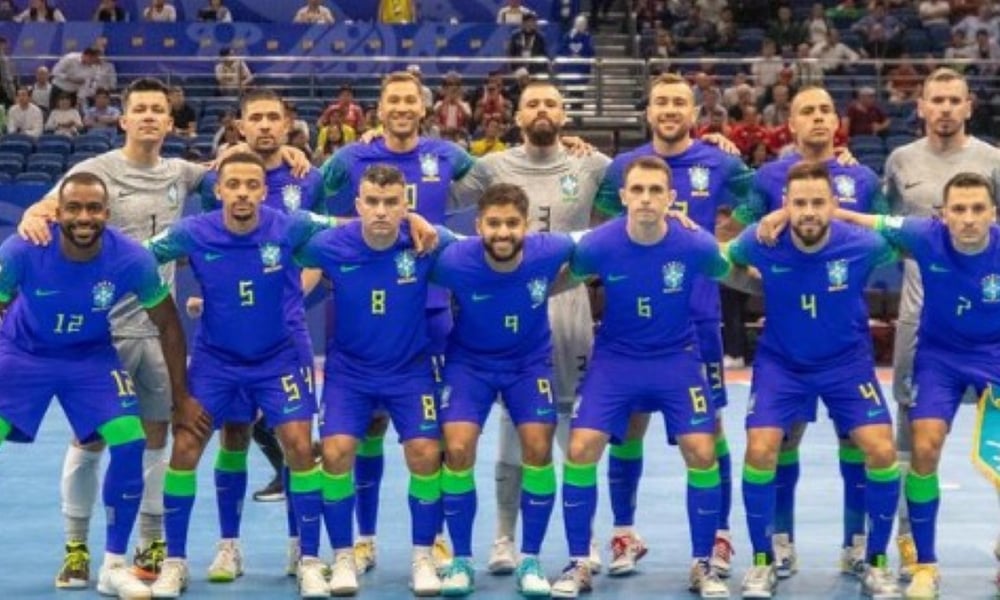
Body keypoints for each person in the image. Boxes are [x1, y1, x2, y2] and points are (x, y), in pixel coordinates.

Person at [16, 77, 312, 589]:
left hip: (156, 330)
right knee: (89, 441)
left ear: (169, 121)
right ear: (123, 118)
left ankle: (153, 543)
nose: (150, 116)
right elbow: (48, 209)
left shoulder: (183, 172)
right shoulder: (92, 171)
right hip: (98, 335)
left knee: (157, 440)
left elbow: (239, 175)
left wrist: (283, 149)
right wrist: (30, 213)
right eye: (140, 109)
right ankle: (77, 548)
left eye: (158, 109)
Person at [0, 171, 199, 598]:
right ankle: (75, 547)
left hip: (90, 357)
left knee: (129, 440)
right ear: (58, 212)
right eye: (74, 208)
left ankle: (113, 564)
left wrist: (180, 397)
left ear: (107, 213)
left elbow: (168, 324)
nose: (84, 216)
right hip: (22, 355)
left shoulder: (130, 260)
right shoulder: (22, 248)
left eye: (94, 208)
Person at [593, 72, 755, 579]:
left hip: (698, 318)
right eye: (660, 102)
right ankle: (623, 532)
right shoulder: (623, 167)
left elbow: (759, 198)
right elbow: (603, 218)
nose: (669, 110)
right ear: (648, 111)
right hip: (630, 324)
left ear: (694, 112)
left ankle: (720, 537)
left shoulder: (720, 161)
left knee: (709, 433)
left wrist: (724, 233)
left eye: (678, 103)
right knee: (628, 427)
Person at [145, 152, 328, 598]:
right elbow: (135, 257)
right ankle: (184, 559)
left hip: (278, 357)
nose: (243, 192)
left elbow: (357, 228)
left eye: (252, 185)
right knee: (187, 445)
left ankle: (306, 557)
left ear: (265, 191)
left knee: (301, 447)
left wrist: (418, 226)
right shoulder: (193, 232)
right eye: (234, 185)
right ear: (219, 190)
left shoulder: (292, 224)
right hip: (216, 361)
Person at [551, 156, 732, 599]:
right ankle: (578, 563)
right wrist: (510, 285)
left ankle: (703, 564)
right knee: (580, 447)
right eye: (638, 190)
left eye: (656, 191)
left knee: (702, 450)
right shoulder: (598, 243)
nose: (647, 199)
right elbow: (559, 280)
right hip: (616, 359)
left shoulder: (696, 244)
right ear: (624, 197)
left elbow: (738, 272)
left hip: (677, 358)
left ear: (671, 199)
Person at [451, 79, 611, 576]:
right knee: (512, 421)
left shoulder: (592, 164)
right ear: (516, 116)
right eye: (532, 104)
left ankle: (583, 538)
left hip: (567, 303)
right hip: (506, 300)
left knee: (571, 422)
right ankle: (504, 537)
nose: (542, 110)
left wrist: (716, 140)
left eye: (551, 103)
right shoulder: (492, 167)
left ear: (565, 115)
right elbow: (431, 184)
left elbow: (654, 175)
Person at [320, 70, 476, 573]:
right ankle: (362, 540)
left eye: (411, 99)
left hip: (429, 312)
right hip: (364, 306)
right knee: (362, 429)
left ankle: (434, 543)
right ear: (378, 107)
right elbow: (312, 207)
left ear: (423, 106)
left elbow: (496, 180)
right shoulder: (349, 158)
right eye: (394, 100)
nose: (403, 107)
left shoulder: (449, 155)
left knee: (431, 438)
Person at [728, 161, 901, 599]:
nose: (808, 211)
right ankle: (764, 560)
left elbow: (915, 239)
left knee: (881, 450)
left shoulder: (864, 244)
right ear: (784, 205)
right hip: (781, 364)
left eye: (818, 203)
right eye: (798, 203)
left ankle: (874, 560)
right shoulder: (761, 241)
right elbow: (717, 259)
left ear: (834, 205)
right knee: (762, 448)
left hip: (847, 364)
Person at [837, 173, 1000, 599]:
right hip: (940, 357)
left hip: (995, 355)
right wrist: (786, 212)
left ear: (993, 213)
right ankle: (925, 564)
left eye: (978, 209)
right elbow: (862, 219)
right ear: (942, 215)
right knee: (925, 447)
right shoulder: (925, 235)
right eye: (959, 210)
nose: (968, 219)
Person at [296, 164, 451, 596]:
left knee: (424, 451)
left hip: (410, 370)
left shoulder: (427, 243)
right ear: (358, 204)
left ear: (406, 205)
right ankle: (344, 556)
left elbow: (492, 246)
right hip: (350, 373)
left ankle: (423, 556)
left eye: (392, 203)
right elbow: (284, 233)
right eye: (373, 202)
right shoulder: (330, 244)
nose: (382, 211)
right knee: (336, 450)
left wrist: (422, 224)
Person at [197, 89, 326, 575]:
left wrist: (289, 293)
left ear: (289, 123)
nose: (267, 125)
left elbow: (318, 249)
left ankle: (302, 547)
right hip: (229, 339)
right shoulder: (217, 179)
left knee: (297, 439)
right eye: (257, 118)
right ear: (241, 125)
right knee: (233, 433)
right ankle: (229, 545)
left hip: (286, 334)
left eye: (275, 117)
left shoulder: (306, 177)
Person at [881, 66, 1000, 581]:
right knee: (916, 436)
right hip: (920, 325)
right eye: (937, 100)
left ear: (969, 106)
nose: (947, 108)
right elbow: (883, 226)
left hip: (989, 324)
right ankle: (911, 542)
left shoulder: (993, 161)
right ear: (922, 107)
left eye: (955, 99)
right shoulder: (900, 161)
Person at [432, 183, 576, 596]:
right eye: (493, 223)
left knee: (538, 449)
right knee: (457, 450)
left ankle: (529, 558)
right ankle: (460, 560)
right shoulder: (454, 258)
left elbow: (606, 239)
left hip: (527, 365)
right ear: (478, 225)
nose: (502, 232)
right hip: (469, 365)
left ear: (526, 225)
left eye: (512, 223)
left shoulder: (551, 249)